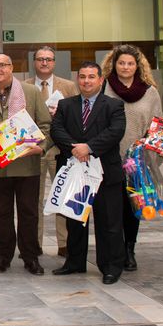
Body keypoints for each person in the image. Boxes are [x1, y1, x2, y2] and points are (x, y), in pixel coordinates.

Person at [50, 61, 127, 283]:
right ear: (77, 80)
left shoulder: (114, 105)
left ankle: (111, 266)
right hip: (75, 171)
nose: (86, 81)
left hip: (105, 173)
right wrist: (75, 148)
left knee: (109, 221)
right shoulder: (66, 105)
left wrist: (89, 147)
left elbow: (116, 132)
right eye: (82, 76)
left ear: (100, 80)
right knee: (75, 219)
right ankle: (74, 262)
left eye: (91, 77)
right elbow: (57, 130)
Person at [0, 54, 50, 275]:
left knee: (29, 213)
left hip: (26, 165)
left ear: (11, 67)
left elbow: (46, 125)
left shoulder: (31, 93)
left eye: (3, 65)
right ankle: (3, 257)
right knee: (1, 213)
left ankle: (30, 257)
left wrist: (41, 147)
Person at [101, 44, 163, 272]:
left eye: (130, 63)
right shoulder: (104, 87)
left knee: (132, 206)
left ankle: (129, 249)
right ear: (113, 64)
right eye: (121, 63)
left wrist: (146, 150)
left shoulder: (150, 92)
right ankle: (114, 249)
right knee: (112, 206)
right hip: (109, 158)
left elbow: (158, 126)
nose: (125, 67)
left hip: (137, 160)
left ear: (137, 66)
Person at [29, 46, 78, 257]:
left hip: (61, 150)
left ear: (54, 62)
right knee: (33, 201)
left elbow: (77, 116)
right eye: (40, 59)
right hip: (34, 150)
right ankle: (34, 244)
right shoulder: (24, 87)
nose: (44, 63)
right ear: (34, 62)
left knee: (62, 197)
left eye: (48, 59)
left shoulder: (68, 86)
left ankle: (64, 244)